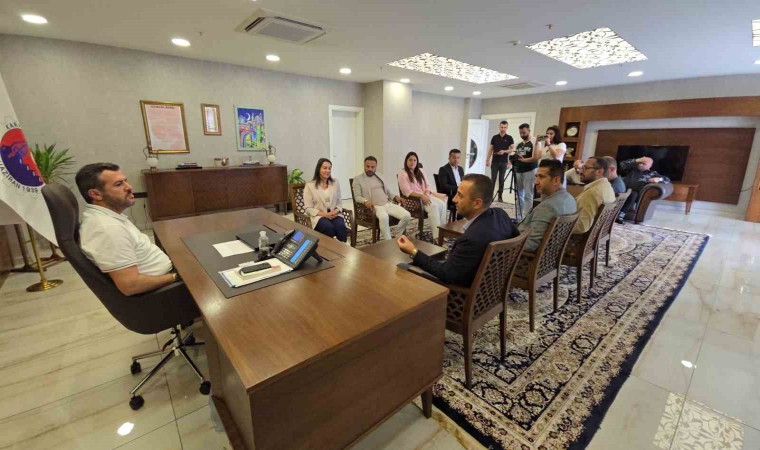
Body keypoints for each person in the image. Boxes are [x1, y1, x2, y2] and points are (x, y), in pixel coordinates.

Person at [397, 174, 518, 286]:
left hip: (459, 294)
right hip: (491, 285)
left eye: (460, 195)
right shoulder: (501, 214)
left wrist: (413, 251)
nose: (454, 199)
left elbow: (446, 274)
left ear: (477, 203)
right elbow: (516, 237)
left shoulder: (472, 239)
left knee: (403, 266)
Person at [76, 163, 178, 296]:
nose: (129, 187)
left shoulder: (106, 217)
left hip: (164, 275)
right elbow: (131, 285)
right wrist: (176, 277)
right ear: (96, 194)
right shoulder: (108, 230)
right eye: (119, 184)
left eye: (126, 181)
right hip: (164, 290)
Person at [517, 159, 577, 252]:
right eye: (536, 176)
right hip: (551, 253)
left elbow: (531, 244)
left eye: (541, 177)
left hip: (521, 256)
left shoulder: (546, 207)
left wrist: (503, 244)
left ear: (556, 180)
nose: (536, 182)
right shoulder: (570, 199)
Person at [352, 156, 411, 240]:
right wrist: (365, 201)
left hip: (387, 204)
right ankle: (389, 241)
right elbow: (357, 197)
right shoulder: (358, 179)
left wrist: (395, 197)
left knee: (407, 215)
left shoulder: (380, 176)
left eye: (372, 167)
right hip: (375, 207)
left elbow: (388, 192)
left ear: (376, 167)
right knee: (384, 217)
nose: (370, 169)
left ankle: (397, 234)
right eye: (367, 166)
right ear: (364, 166)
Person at [398, 152, 448, 240]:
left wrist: (426, 194)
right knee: (434, 206)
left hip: (425, 196)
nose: (412, 162)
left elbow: (428, 185)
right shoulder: (403, 173)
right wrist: (421, 196)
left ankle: (442, 232)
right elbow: (406, 191)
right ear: (406, 161)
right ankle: (436, 236)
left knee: (442, 204)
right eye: (410, 160)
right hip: (414, 200)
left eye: (415, 160)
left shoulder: (421, 171)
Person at [303, 158, 349, 242]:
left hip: (334, 214)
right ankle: (329, 248)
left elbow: (339, 202)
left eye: (329, 168)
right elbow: (308, 208)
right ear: (318, 169)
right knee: (328, 227)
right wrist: (325, 214)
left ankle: (342, 248)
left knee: (341, 226)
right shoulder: (309, 185)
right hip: (319, 216)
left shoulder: (335, 182)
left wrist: (335, 211)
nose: (327, 171)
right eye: (324, 168)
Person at [617, 156, 671, 222]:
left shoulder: (652, 173)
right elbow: (622, 164)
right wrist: (637, 160)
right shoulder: (632, 168)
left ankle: (621, 215)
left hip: (635, 192)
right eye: (640, 162)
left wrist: (659, 179)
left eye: (644, 164)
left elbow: (667, 180)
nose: (640, 164)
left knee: (634, 194)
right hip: (623, 189)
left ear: (650, 166)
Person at [573, 157, 615, 234]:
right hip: (597, 234)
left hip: (576, 238)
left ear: (599, 172)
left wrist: (557, 226)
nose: (580, 171)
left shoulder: (592, 193)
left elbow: (582, 226)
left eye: (585, 168)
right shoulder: (608, 186)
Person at [513, 123, 542, 220]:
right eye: (520, 133)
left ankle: (526, 216)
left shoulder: (535, 142)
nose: (522, 135)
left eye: (524, 132)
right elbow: (516, 156)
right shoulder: (519, 143)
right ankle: (519, 215)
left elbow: (536, 157)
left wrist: (523, 160)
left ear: (529, 130)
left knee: (528, 195)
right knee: (518, 194)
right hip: (518, 170)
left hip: (530, 170)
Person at [486, 120, 515, 202]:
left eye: (505, 127)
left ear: (507, 128)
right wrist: (487, 160)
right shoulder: (494, 137)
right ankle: (490, 196)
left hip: (504, 162)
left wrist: (504, 151)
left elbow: (512, 149)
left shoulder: (509, 138)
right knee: (493, 179)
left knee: (501, 179)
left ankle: (500, 197)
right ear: (499, 127)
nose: (503, 129)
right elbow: (490, 149)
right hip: (495, 162)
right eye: (502, 127)